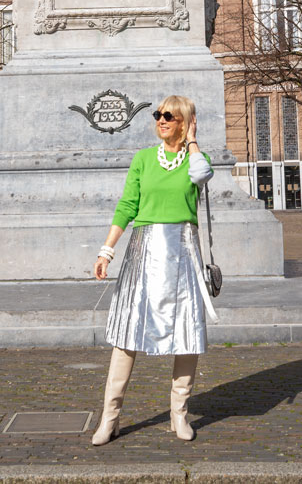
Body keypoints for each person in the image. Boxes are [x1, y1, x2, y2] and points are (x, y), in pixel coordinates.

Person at [91, 95, 215, 445]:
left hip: (182, 250)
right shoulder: (143, 159)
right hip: (144, 251)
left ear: (185, 122)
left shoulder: (196, 159)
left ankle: (179, 415)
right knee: (126, 335)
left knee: (187, 335)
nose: (161, 120)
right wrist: (106, 250)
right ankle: (110, 418)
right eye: (158, 115)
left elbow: (201, 175)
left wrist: (192, 140)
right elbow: (127, 205)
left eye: (170, 116)